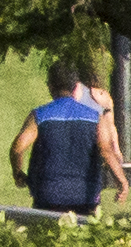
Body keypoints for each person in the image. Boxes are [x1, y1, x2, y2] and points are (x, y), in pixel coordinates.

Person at [13, 51, 115, 217]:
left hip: (47, 195)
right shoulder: (95, 117)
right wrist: (122, 181)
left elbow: (18, 148)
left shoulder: (40, 115)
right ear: (75, 87)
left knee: (45, 239)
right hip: (86, 196)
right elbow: (106, 150)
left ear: (50, 86)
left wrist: (18, 173)